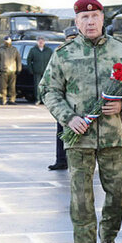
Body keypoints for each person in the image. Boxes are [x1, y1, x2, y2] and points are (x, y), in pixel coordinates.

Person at [40, 0, 122, 243]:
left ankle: (108, 235)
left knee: (117, 193)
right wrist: (69, 117)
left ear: (103, 19)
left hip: (114, 138)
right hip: (80, 140)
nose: (90, 22)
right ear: (76, 22)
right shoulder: (63, 54)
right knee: (81, 198)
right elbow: (48, 91)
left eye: (95, 17)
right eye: (84, 19)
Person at [48, 27, 79, 171]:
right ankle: (61, 160)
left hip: (81, 100)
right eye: (69, 38)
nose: (71, 41)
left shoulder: (85, 53)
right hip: (64, 100)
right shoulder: (59, 54)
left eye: (74, 38)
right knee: (61, 131)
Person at [0, 36, 22, 105]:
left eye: (8, 41)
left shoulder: (14, 49)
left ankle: (12, 100)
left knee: (12, 87)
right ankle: (3, 99)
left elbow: (18, 60)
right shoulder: (0, 49)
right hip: (3, 70)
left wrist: (19, 69)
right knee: (3, 87)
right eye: (6, 41)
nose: (7, 42)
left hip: (13, 70)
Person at [27, 36, 53, 105]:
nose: (41, 42)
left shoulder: (49, 50)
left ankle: (45, 100)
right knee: (37, 86)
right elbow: (29, 60)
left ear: (44, 42)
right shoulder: (33, 50)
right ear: (37, 42)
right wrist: (31, 69)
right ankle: (38, 99)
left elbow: (53, 61)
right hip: (37, 71)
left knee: (46, 86)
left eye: (42, 41)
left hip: (46, 72)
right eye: (39, 41)